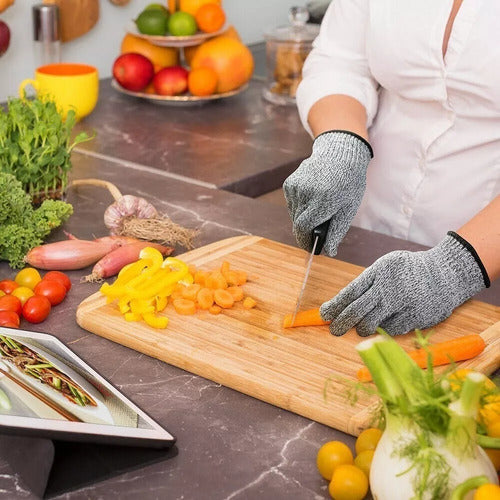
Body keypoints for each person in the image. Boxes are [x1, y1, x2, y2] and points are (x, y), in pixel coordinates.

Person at [283, 0, 500, 337]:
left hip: (489, 270)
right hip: (365, 232)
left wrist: (457, 267)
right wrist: (342, 141)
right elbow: (339, 61)